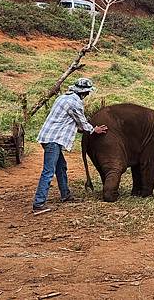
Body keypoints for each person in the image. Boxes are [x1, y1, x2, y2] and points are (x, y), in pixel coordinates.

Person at [32, 78, 108, 215]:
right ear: (84, 93)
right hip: (53, 139)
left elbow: (70, 122)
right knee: (48, 171)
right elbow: (82, 123)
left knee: (61, 167)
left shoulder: (63, 98)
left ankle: (65, 195)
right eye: (87, 93)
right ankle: (38, 203)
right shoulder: (74, 103)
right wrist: (94, 130)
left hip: (48, 137)